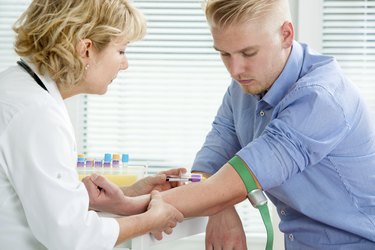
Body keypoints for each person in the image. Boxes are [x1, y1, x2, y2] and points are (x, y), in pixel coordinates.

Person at [84, 0, 375, 249]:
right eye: (224, 54)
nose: (235, 70)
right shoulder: (246, 86)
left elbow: (233, 183)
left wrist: (129, 204)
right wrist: (220, 207)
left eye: (249, 53)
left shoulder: (320, 99)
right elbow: (213, 159)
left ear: (286, 35)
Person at [0, 0, 185, 249]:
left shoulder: (16, 87)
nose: (125, 63)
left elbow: (34, 200)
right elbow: (72, 236)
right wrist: (151, 219)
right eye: (121, 50)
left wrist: (128, 194)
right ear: (86, 49)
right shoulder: (37, 116)